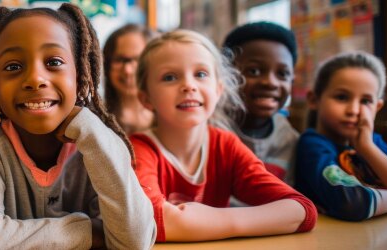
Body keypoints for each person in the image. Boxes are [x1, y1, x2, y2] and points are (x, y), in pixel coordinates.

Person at [0, 4, 155, 249]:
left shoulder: (98, 142)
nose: (35, 79)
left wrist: (91, 131)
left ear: (82, 81)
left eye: (53, 61)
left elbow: (135, 241)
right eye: (13, 67)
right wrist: (88, 231)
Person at [132, 29, 317, 242]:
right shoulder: (138, 149)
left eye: (201, 74)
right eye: (170, 77)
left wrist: (215, 218)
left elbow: (302, 210)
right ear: (146, 98)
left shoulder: (226, 145)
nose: (189, 86)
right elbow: (147, 223)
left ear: (218, 89)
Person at [295, 51, 387, 221]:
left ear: (377, 107)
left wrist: (367, 148)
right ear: (314, 99)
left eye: (365, 101)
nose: (354, 110)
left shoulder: (372, 142)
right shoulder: (313, 145)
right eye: (342, 97)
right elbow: (352, 204)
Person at [223, 21, 300, 183]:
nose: (270, 82)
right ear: (226, 74)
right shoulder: (207, 131)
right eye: (254, 71)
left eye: (282, 74)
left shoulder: (290, 141)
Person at [103, 24, 155, 134]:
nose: (128, 70)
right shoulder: (95, 120)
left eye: (138, 59)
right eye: (119, 60)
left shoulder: (170, 120)